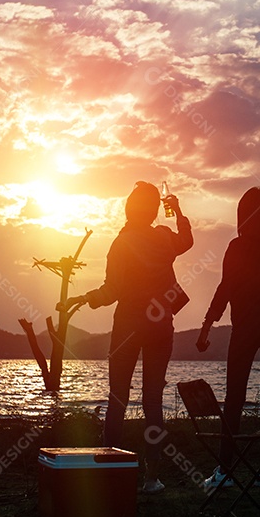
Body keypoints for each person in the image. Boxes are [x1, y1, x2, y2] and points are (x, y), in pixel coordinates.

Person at [61, 181, 193, 494]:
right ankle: (151, 478)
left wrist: (82, 299)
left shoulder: (121, 244)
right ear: (153, 210)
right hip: (160, 326)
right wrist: (178, 212)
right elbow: (186, 241)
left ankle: (110, 475)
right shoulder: (163, 238)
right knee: (153, 401)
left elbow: (112, 291)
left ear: (128, 208)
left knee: (117, 398)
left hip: (128, 326)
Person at [196, 170, 260, 490]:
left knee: (234, 398)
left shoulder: (238, 248)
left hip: (245, 329)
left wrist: (207, 325)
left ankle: (225, 470)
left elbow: (224, 288)